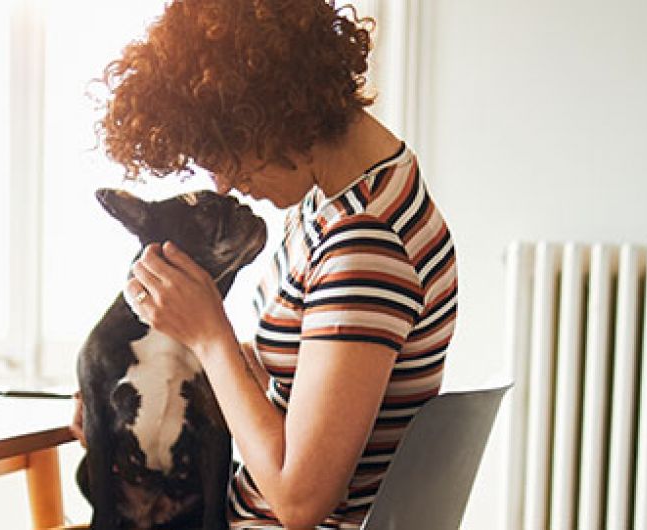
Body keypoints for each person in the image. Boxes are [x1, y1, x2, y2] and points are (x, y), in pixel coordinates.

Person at [72, 0, 458, 528]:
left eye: (224, 154)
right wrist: (141, 380)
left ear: (267, 113)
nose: (225, 185)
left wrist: (211, 337)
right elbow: (308, 377)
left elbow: (300, 502)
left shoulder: (364, 244)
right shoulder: (352, 198)